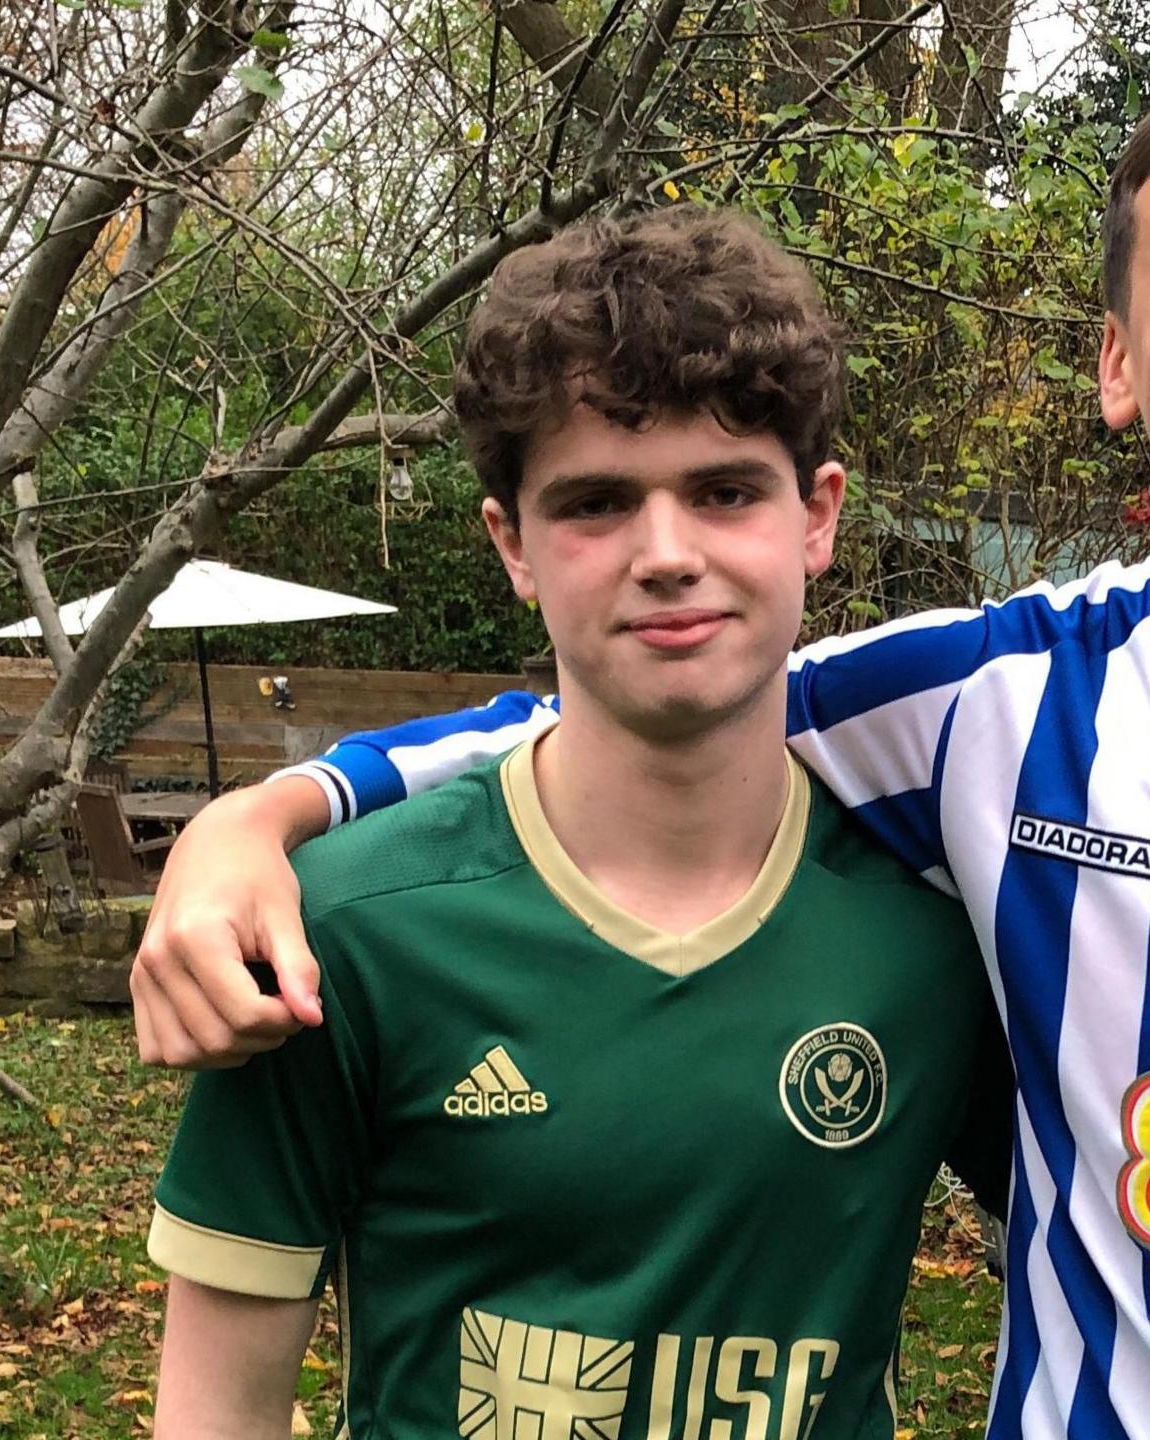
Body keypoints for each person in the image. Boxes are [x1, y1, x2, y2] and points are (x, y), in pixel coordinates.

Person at [136, 38, 1150, 1440]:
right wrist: (267, 817)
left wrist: (266, 809)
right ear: (1114, 361)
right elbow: (633, 702)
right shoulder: (986, 705)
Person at [144, 206, 1003, 1440]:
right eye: (597, 503)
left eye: (723, 492)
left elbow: (1125, 1259)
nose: (665, 554)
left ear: (816, 516)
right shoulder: (336, 932)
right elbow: (216, 1411)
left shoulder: (937, 941)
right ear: (513, 545)